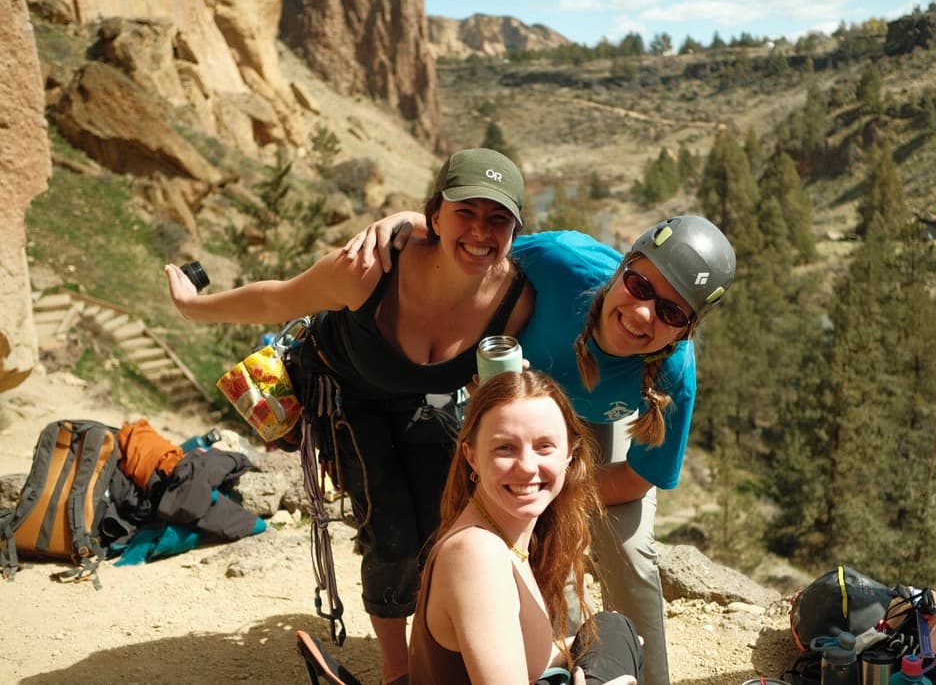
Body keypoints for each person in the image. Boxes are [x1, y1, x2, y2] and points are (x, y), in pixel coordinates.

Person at [165, 148, 534, 685]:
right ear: (435, 216)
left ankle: (439, 651)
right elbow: (277, 300)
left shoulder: (513, 303)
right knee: (392, 532)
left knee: (450, 520)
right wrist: (192, 306)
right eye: (466, 212)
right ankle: (397, 671)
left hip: (418, 402)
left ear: (515, 230)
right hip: (343, 394)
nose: (480, 230)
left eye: (498, 218)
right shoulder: (370, 270)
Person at [347, 213, 736, 685]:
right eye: (639, 285)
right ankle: (547, 656)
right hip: (529, 414)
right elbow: (474, 246)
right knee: (530, 529)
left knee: (628, 550)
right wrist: (409, 222)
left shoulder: (675, 376)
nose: (641, 313)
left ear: (685, 330)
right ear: (622, 267)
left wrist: (557, 491)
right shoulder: (562, 261)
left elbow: (637, 478)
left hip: (594, 426)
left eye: (670, 313)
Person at [409, 368, 642, 685]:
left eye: (544, 446)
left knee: (613, 630)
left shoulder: (506, 538)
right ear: (471, 456)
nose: (527, 467)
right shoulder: (477, 554)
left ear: (569, 455)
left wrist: (612, 645)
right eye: (504, 448)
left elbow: (522, 657)